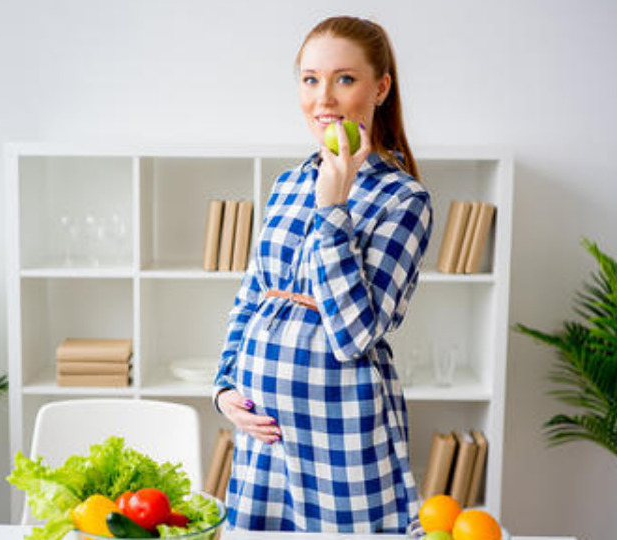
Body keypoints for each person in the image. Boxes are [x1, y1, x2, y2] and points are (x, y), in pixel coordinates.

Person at [212, 15, 433, 533]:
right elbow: (251, 298)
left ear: (380, 87)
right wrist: (224, 388)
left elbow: (353, 334)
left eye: (344, 79)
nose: (324, 99)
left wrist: (334, 203)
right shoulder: (288, 183)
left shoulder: (404, 199)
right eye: (311, 79)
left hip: (343, 439)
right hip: (265, 442)